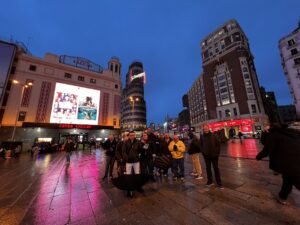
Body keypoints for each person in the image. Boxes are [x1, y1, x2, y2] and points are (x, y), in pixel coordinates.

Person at [256, 125, 300, 205]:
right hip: (293, 161)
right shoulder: (292, 133)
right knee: (288, 179)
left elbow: (266, 149)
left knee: (294, 180)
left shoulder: (274, 135)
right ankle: (282, 196)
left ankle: (282, 196)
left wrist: (258, 157)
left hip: (289, 163)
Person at [200, 124, 223, 189]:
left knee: (216, 169)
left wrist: (216, 154)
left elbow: (218, 145)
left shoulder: (214, 135)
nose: (205, 130)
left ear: (208, 128)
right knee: (208, 169)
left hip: (214, 156)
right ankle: (210, 181)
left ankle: (219, 183)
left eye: (206, 129)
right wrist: (203, 152)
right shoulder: (202, 136)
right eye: (204, 129)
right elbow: (201, 145)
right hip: (206, 156)